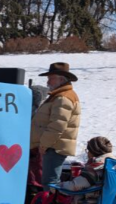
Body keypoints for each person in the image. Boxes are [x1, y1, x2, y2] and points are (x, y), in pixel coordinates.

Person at [31, 62, 81, 191]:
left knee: (50, 183)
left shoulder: (63, 98)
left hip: (54, 147)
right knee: (49, 181)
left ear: (61, 79)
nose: (48, 82)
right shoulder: (59, 96)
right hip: (53, 146)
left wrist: (44, 144)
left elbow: (57, 125)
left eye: (51, 78)